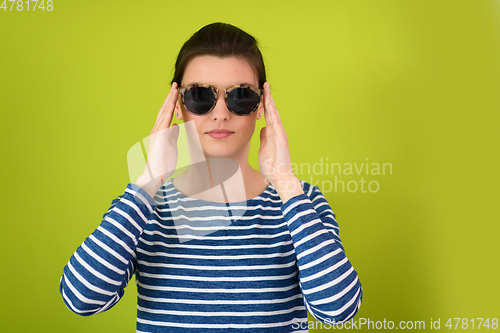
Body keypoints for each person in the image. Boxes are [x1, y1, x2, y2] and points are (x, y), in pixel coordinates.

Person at [60, 22, 363, 332]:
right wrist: (148, 180)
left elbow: (338, 309)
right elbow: (82, 298)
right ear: (178, 105)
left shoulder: (301, 200)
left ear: (261, 106)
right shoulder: (143, 207)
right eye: (201, 96)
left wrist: (285, 181)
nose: (220, 113)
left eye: (241, 96)